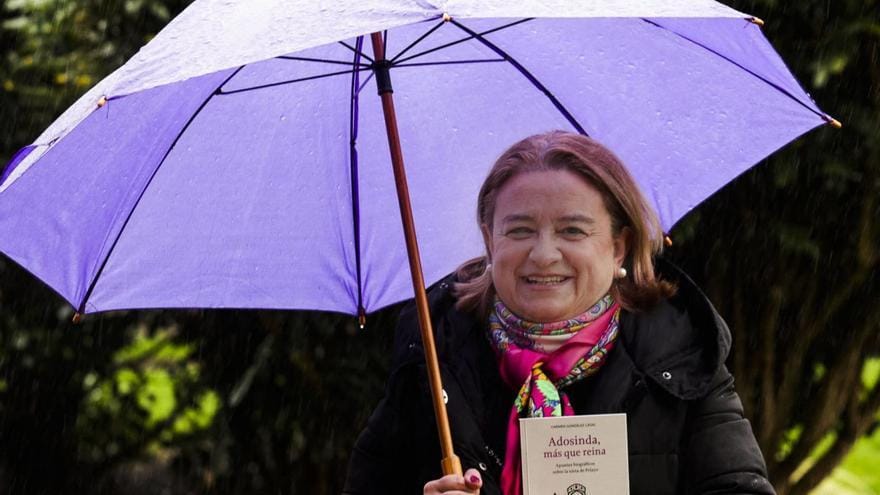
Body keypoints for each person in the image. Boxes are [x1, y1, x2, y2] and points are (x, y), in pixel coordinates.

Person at [344, 131, 774, 495]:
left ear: (619, 246)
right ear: (490, 241)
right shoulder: (434, 356)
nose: (544, 254)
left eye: (572, 230)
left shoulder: (677, 357)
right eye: (520, 230)